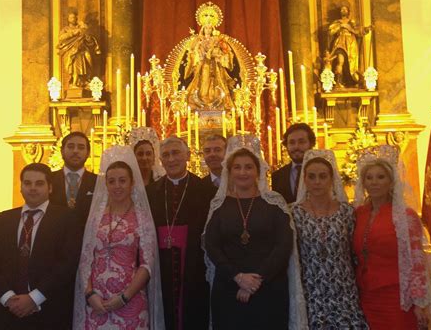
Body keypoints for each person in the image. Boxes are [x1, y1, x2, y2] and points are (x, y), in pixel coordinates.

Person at [203, 135, 308, 330]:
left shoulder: (274, 203)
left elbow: (283, 246)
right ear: (230, 171)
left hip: (269, 289)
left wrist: (256, 280)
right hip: (228, 289)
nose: (243, 172)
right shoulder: (219, 205)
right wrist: (238, 277)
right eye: (237, 167)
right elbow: (212, 246)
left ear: (258, 171)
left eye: (248, 167)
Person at [73, 145, 164, 329]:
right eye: (112, 181)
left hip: (131, 301)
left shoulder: (142, 217)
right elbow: (85, 260)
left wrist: (124, 297)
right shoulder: (96, 216)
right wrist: (90, 294)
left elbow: (147, 263)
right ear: (105, 184)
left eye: (122, 181)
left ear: (132, 183)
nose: (117, 186)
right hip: (96, 303)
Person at [0, 163, 82, 329]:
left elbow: (68, 264)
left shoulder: (67, 219)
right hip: (7, 314)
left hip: (49, 313)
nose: (33, 188)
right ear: (20, 187)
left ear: (50, 187)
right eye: (27, 183)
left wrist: (34, 298)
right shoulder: (3, 219)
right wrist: (8, 298)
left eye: (39, 183)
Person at [353, 145, 431, 329]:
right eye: (369, 178)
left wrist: (420, 302)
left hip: (397, 296)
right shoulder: (358, 214)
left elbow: (417, 260)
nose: (374, 182)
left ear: (391, 181)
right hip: (365, 296)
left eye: (380, 177)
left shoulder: (405, 216)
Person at [293, 149, 368, 328]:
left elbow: (355, 252)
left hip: (344, 290)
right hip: (311, 291)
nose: (317, 182)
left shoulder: (347, 212)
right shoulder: (294, 213)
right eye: (311, 177)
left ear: (331, 179)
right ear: (304, 180)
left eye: (322, 176)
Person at [146, 136, 210, 330]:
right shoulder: (150, 192)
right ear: (160, 160)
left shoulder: (206, 190)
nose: (171, 159)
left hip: (194, 265)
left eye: (176, 153)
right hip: (160, 264)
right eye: (166, 155)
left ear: (188, 155)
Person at [50, 131, 97, 232]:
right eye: (71, 146)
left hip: (85, 240)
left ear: (88, 153)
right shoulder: (49, 179)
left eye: (81, 147)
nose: (75, 151)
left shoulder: (97, 182)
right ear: (62, 151)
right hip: (54, 238)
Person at [184, 23, 236, 109]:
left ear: (213, 30)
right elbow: (194, 53)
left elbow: (222, 52)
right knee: (204, 80)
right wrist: (199, 50)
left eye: (210, 28)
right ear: (203, 30)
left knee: (217, 81)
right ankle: (203, 101)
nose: (208, 30)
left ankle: (216, 100)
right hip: (204, 64)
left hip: (215, 65)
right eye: (206, 28)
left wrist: (216, 52)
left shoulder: (216, 40)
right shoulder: (199, 40)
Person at [328, 0, 371, 88]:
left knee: (351, 63)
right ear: (340, 11)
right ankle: (338, 81)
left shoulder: (352, 22)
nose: (343, 11)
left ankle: (351, 80)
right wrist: (340, 26)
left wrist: (351, 28)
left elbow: (359, 31)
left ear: (348, 11)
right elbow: (330, 32)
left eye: (345, 9)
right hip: (340, 43)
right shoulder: (337, 22)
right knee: (340, 61)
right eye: (342, 9)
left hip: (351, 43)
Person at [272, 123, 316, 203]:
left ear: (311, 144)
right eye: (292, 143)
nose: (296, 147)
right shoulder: (277, 176)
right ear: (286, 146)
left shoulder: (322, 173)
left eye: (301, 142)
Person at [57, 11, 101, 88]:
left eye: (74, 17)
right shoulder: (66, 29)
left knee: (89, 61)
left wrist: (87, 36)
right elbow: (61, 38)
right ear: (68, 19)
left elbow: (89, 41)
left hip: (83, 49)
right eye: (71, 17)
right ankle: (75, 82)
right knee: (75, 65)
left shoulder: (81, 27)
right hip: (72, 50)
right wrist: (73, 33)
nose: (73, 19)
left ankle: (86, 79)